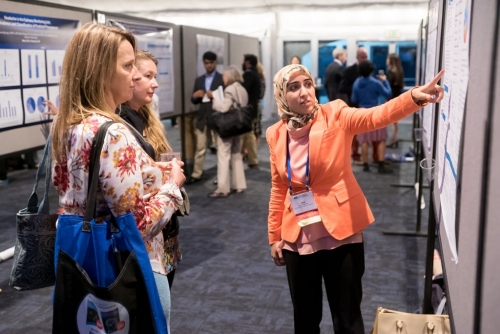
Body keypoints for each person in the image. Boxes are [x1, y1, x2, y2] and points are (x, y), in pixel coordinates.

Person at [267, 63, 444, 333]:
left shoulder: (335, 114)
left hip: (340, 231)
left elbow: (375, 117)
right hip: (297, 238)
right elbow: (279, 188)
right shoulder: (275, 133)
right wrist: (274, 235)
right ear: (281, 95)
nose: (304, 92)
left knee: (347, 317)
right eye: (294, 87)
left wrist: (413, 98)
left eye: (307, 84)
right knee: (304, 318)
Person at [50, 22, 185, 330]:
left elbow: (89, 191)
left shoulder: (69, 126)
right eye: (127, 66)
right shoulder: (113, 133)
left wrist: (151, 174)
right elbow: (140, 225)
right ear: (101, 71)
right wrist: (172, 187)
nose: (135, 75)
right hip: (125, 267)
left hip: (80, 260)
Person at [117, 50, 182, 293]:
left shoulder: (145, 119)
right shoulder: (119, 127)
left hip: (162, 223)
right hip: (148, 228)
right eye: (147, 76)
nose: (154, 83)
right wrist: (169, 181)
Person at [209, 65, 248, 198]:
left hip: (227, 127)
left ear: (229, 76)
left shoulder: (230, 89)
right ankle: (239, 185)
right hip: (239, 126)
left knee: (223, 156)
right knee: (236, 154)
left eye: (224, 76)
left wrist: (215, 102)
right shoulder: (242, 89)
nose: (223, 78)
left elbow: (224, 108)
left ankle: (223, 188)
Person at [351, 61, 393, 173]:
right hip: (376, 112)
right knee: (381, 139)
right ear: (371, 71)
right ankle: (380, 164)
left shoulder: (356, 83)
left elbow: (354, 99)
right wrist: (385, 81)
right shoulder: (376, 83)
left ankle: (365, 165)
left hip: (362, 114)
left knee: (364, 141)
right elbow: (388, 93)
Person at [189, 51, 224, 183]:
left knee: (221, 149)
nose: (208, 65)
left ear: (215, 63)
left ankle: (222, 176)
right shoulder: (199, 80)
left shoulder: (221, 79)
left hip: (217, 117)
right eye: (206, 63)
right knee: (200, 147)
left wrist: (213, 95)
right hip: (203, 118)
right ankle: (196, 174)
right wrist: (195, 96)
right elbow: (193, 100)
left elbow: (226, 98)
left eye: (211, 63)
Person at [339, 47, 369, 164]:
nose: (364, 59)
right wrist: (357, 89)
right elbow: (342, 88)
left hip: (368, 106)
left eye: (366, 57)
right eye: (362, 57)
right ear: (357, 57)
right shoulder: (350, 71)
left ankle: (375, 157)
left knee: (372, 131)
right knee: (355, 133)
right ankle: (355, 155)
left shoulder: (369, 68)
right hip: (354, 105)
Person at [241, 54, 261, 169]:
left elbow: (244, 91)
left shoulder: (248, 74)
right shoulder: (256, 74)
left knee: (248, 134)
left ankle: (251, 159)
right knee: (250, 134)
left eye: (243, 61)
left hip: (247, 109)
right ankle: (252, 159)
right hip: (253, 108)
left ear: (247, 62)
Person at [386, 53, 405, 148]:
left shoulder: (390, 72)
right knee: (395, 121)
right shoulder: (399, 71)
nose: (386, 60)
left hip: (391, 98)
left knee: (389, 120)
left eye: (388, 58)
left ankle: (392, 140)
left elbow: (388, 86)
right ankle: (394, 138)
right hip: (398, 97)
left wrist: (383, 80)